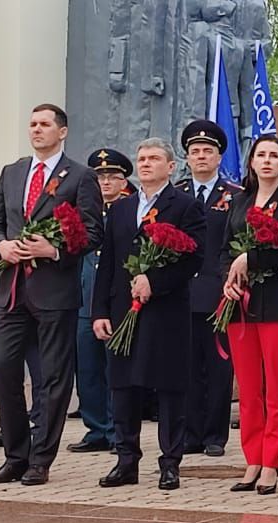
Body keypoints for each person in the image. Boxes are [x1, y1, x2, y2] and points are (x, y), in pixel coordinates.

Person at [0, 104, 104, 486]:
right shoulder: (12, 172)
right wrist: (1, 245)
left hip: (54, 291)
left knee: (51, 378)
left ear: (61, 132)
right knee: (3, 369)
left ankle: (40, 460)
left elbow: (92, 233)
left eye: (45, 124)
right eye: (32, 124)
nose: (36, 129)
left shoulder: (80, 176)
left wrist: (55, 249)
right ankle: (15, 455)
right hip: (12, 289)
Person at [92, 138, 206, 490]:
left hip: (166, 311)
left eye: (154, 158)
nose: (145, 163)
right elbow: (108, 264)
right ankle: (126, 461)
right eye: (141, 158)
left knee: (169, 387)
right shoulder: (122, 209)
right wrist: (99, 311)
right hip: (123, 309)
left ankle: (170, 463)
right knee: (123, 386)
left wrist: (154, 281)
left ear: (171, 167)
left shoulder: (185, 206)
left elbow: (193, 258)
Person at [221, 135, 278, 495]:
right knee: (248, 388)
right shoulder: (239, 201)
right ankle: (252, 459)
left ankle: (272, 461)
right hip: (240, 302)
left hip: (277, 301)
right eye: (261, 155)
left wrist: (251, 259)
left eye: (275, 155)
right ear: (252, 162)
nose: (268, 160)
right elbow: (224, 250)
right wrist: (229, 279)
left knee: (276, 385)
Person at [178, 119, 243, 458]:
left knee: (218, 366)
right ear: (187, 157)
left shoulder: (236, 196)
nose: (201, 156)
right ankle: (190, 433)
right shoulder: (176, 194)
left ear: (219, 157)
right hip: (181, 292)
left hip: (220, 292)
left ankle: (215, 435)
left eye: (208, 151)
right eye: (195, 151)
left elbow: (238, 243)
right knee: (187, 366)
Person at [67, 148, 133, 454]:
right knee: (88, 369)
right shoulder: (83, 211)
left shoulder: (130, 211)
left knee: (116, 370)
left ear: (124, 182)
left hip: (116, 302)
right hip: (85, 299)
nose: (105, 182)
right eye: (100, 177)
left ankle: (119, 431)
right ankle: (96, 429)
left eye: (112, 176)